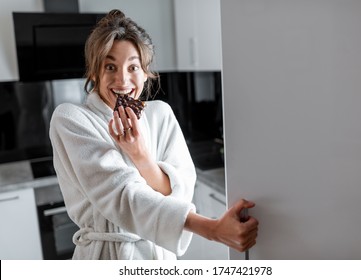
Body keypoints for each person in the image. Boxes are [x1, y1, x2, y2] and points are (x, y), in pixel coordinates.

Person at [49, 9, 258, 260]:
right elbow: (121, 195)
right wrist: (211, 229)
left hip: (159, 258)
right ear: (94, 73)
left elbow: (180, 194)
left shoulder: (161, 115)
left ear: (146, 73)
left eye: (133, 66)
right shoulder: (71, 119)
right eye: (110, 66)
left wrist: (141, 155)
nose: (122, 79)